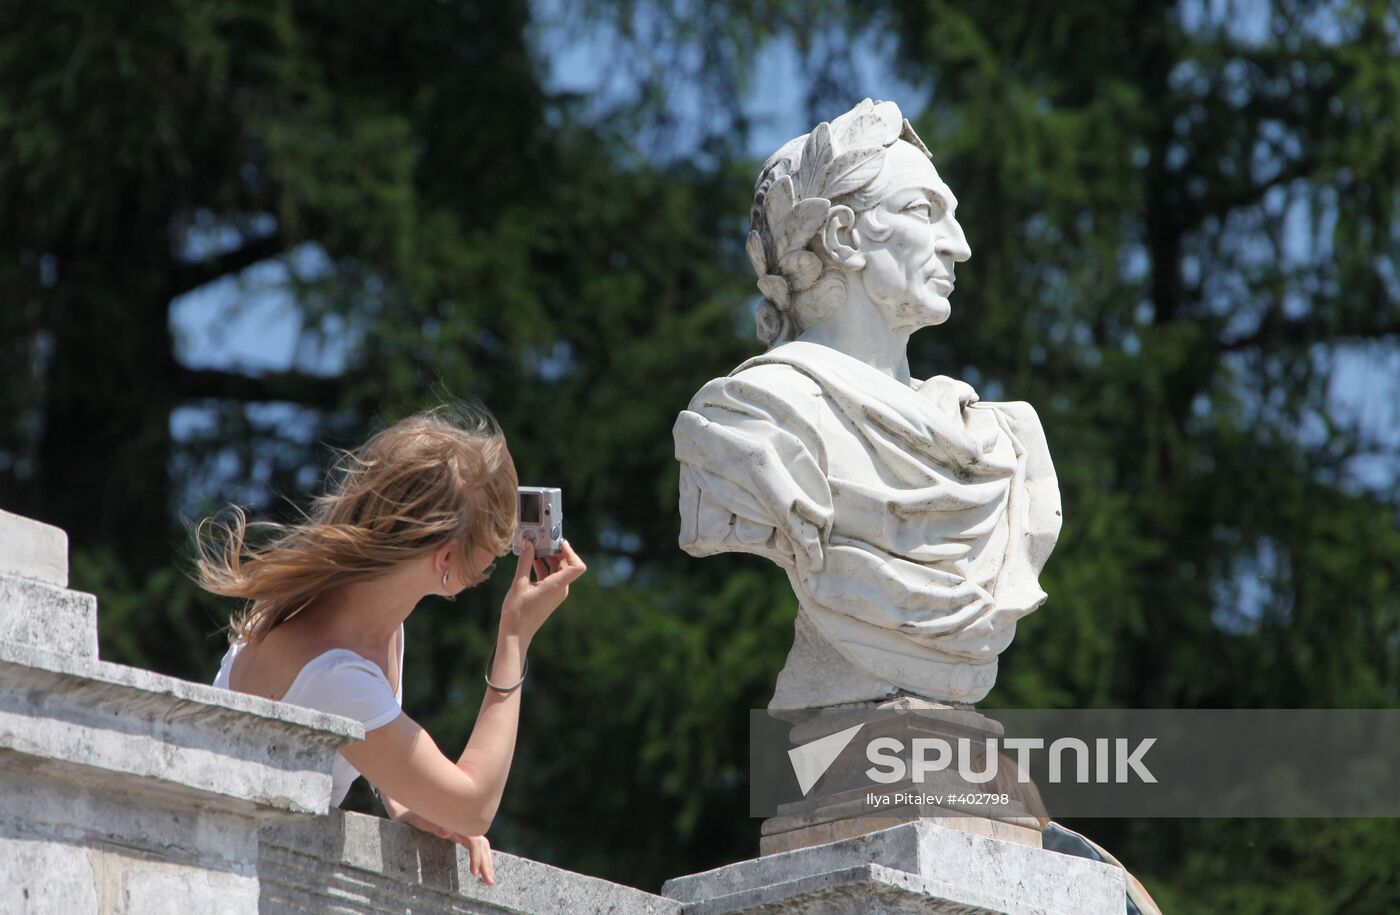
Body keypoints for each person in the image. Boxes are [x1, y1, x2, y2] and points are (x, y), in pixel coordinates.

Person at [196, 404, 586, 885]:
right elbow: (474, 807)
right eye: (492, 544)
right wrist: (514, 638)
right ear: (445, 559)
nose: (503, 552)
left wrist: (410, 802)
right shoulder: (335, 670)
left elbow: (364, 737)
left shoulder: (356, 611)